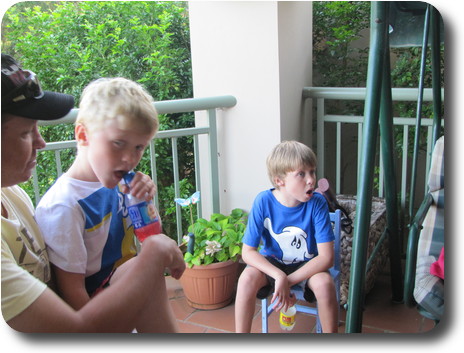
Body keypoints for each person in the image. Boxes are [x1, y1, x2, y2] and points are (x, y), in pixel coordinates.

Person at [1, 53, 185, 332]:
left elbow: (146, 237)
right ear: (83, 136)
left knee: (143, 271)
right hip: (92, 311)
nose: (42, 142)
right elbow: (74, 304)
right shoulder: (62, 206)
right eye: (26, 133)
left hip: (112, 292)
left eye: (138, 147)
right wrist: (154, 255)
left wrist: (145, 203)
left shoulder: (13, 196)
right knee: (143, 268)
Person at [235, 140, 338, 333]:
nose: (311, 180)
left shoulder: (317, 204)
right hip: (273, 263)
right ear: (279, 181)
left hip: (307, 265)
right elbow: (248, 252)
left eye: (312, 172)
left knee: (325, 285)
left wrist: (286, 281)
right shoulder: (263, 201)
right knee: (246, 279)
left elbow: (326, 257)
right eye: (301, 174)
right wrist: (278, 275)